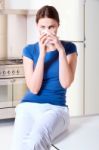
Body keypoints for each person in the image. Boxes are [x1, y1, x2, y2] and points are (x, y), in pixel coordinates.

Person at [11, 5, 77, 150]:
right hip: (28, 106)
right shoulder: (29, 50)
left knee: (36, 141)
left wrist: (60, 50)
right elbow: (34, 88)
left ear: (58, 26)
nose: (47, 31)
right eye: (43, 27)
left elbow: (66, 83)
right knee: (19, 146)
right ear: (37, 26)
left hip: (55, 108)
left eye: (51, 27)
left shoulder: (69, 48)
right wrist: (42, 53)